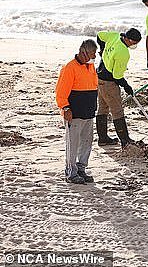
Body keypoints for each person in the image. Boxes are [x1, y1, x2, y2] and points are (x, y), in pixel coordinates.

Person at [55, 39, 99, 184]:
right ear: (83, 52)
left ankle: (81, 168)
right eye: (92, 54)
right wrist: (65, 107)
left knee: (86, 142)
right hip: (74, 113)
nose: (94, 57)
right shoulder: (69, 68)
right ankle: (71, 172)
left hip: (88, 112)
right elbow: (61, 92)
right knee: (73, 143)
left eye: (95, 54)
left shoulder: (90, 67)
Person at [96, 28, 141, 147]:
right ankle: (125, 140)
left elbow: (99, 35)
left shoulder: (114, 36)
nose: (134, 45)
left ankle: (103, 138)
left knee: (102, 108)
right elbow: (117, 76)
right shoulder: (123, 53)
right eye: (133, 42)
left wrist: (102, 50)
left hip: (99, 77)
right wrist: (127, 86)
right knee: (117, 111)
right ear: (126, 38)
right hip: (109, 83)